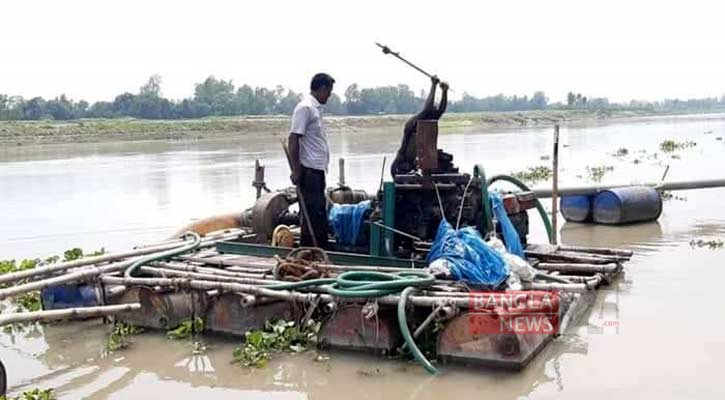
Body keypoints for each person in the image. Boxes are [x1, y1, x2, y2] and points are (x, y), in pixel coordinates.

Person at [288, 73, 335, 248]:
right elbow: (293, 139)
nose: (329, 96)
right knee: (310, 214)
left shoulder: (316, 110)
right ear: (322, 89)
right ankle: (309, 250)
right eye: (329, 92)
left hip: (318, 169)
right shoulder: (305, 108)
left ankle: (319, 248)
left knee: (318, 212)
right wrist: (296, 170)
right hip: (308, 170)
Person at [390, 76, 449, 177]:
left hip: (413, 165)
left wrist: (444, 91)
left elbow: (441, 110)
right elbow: (427, 108)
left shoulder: (428, 123)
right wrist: (433, 85)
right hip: (399, 167)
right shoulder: (413, 123)